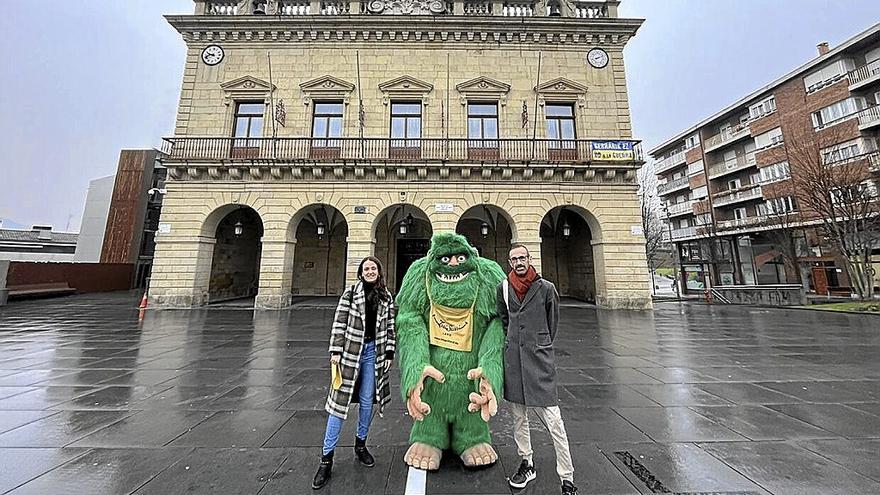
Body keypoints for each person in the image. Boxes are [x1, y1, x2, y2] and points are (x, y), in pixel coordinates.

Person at [497, 244, 578, 495]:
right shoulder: (502, 288)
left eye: (522, 257)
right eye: (514, 259)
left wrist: (540, 344)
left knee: (554, 422)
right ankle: (526, 462)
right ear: (509, 262)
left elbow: (552, 323)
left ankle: (567, 476)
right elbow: (504, 319)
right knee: (519, 418)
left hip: (539, 362)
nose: (519, 262)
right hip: (514, 363)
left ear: (530, 259)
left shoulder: (546, 289)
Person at [312, 256, 397, 490]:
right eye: (366, 269)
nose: (370, 271)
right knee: (338, 405)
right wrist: (335, 351)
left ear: (379, 272)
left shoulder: (385, 296)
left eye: (373, 268)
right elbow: (339, 322)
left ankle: (361, 445)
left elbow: (390, 325)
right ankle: (326, 459)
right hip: (350, 352)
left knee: (368, 400)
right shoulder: (350, 294)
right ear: (361, 273)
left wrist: (390, 352)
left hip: (374, 352)